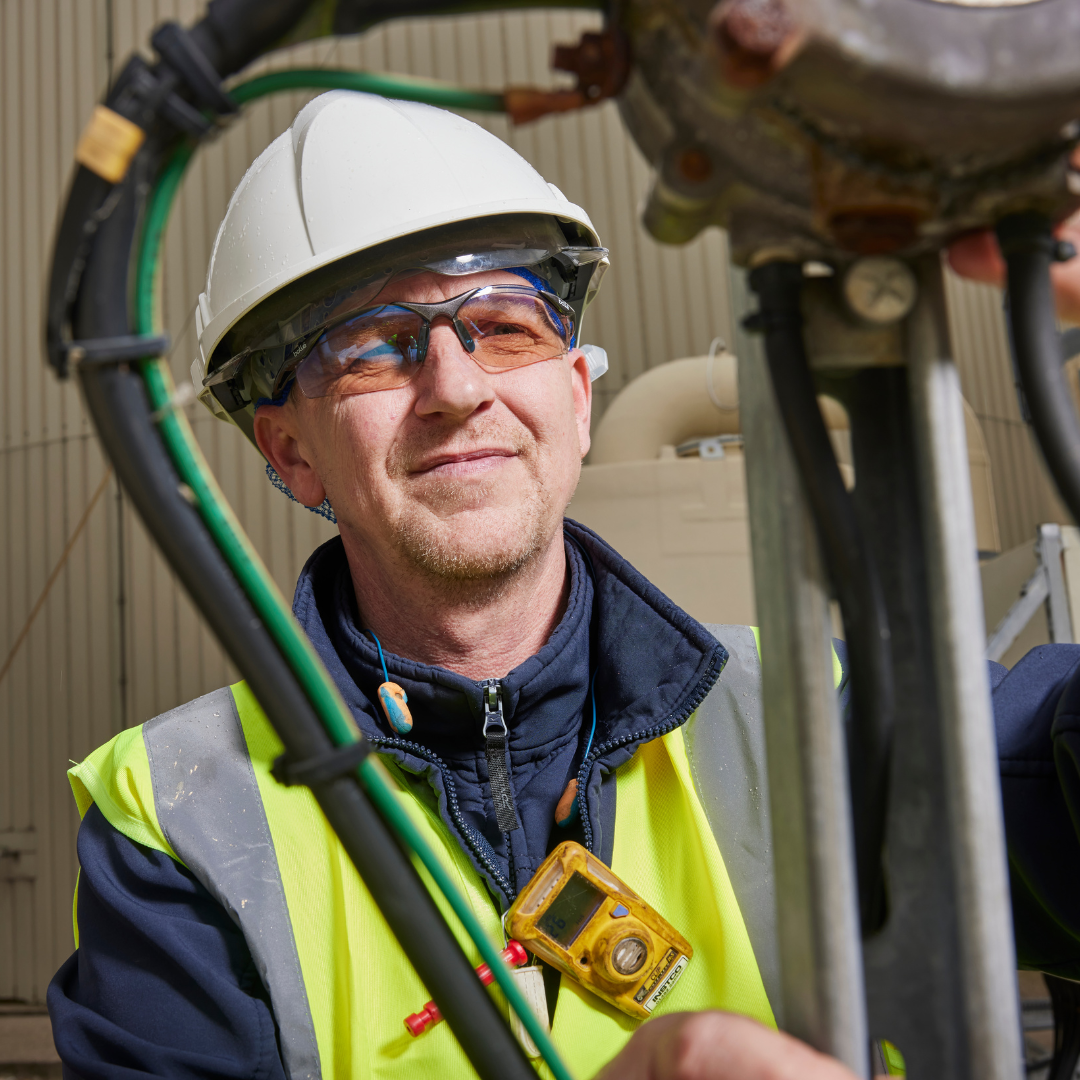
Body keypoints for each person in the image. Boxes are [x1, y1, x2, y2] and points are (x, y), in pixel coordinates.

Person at [45, 90, 1080, 1080]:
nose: (456, 387)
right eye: (371, 347)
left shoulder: (822, 713)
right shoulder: (177, 815)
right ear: (291, 452)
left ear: (577, 399)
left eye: (504, 325)